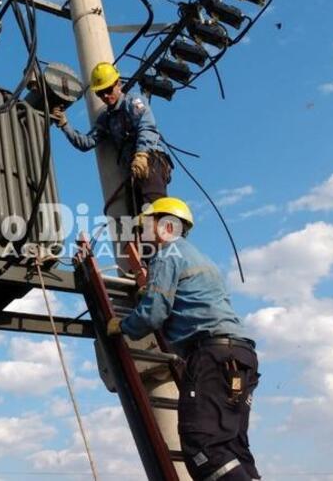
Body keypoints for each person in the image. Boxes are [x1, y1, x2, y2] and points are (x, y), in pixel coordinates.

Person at [107, 197, 261, 481]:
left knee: (202, 446)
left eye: (145, 225)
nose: (142, 234)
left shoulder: (167, 255)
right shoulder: (200, 257)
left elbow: (152, 315)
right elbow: (190, 300)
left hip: (211, 356)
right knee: (233, 446)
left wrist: (123, 325)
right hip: (240, 355)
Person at [50, 62, 173, 211]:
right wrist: (65, 125)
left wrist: (141, 154)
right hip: (132, 172)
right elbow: (86, 143)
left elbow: (147, 127)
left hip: (150, 161)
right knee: (137, 224)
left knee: (156, 211)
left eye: (108, 90)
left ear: (118, 83)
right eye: (100, 93)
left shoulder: (133, 101)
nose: (106, 96)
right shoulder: (106, 118)